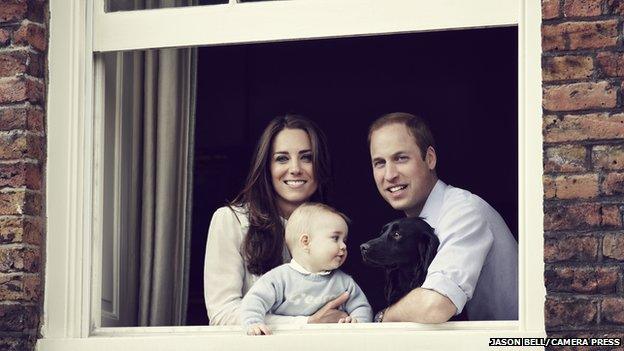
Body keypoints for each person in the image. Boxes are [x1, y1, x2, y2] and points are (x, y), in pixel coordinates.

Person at [368, 112, 518, 323]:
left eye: (400, 158)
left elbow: (434, 306)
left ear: (430, 158)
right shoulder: (414, 228)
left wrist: (384, 318)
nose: (390, 174)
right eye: (379, 163)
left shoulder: (464, 212)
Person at [204, 114, 350, 326]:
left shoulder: (333, 226)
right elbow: (222, 314)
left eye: (307, 157)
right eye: (282, 158)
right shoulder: (231, 220)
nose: (295, 168)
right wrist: (306, 323)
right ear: (266, 167)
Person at [240, 203, 373, 335]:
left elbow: (362, 308)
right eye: (335, 238)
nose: (343, 246)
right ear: (306, 242)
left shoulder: (344, 282)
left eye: (344, 240)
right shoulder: (278, 279)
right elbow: (254, 300)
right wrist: (253, 323)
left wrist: (356, 325)